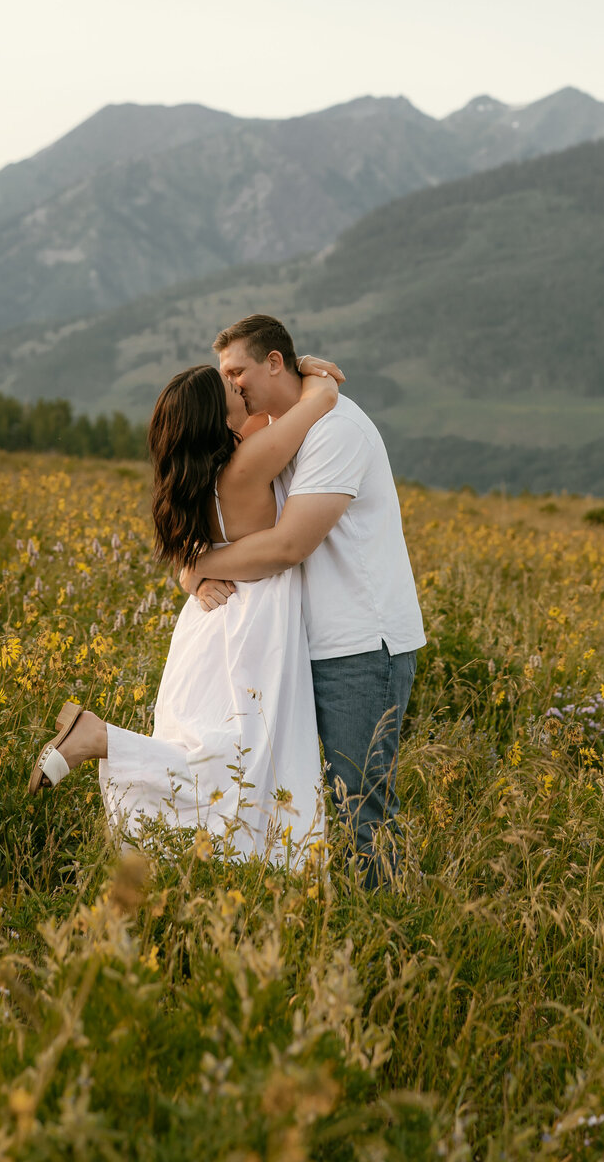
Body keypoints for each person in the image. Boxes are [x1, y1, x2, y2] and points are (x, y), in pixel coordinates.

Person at [27, 355, 342, 866]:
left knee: (209, 752)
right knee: (242, 758)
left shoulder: (197, 479)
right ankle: (98, 736)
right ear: (217, 416)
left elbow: (194, 554)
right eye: (229, 383)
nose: (239, 385)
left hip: (206, 620)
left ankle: (214, 862)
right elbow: (321, 402)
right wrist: (311, 371)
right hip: (253, 623)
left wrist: (192, 572)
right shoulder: (248, 464)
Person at [187, 313, 425, 888]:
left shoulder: (335, 430)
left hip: (360, 645)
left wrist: (202, 567)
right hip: (295, 644)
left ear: (274, 363)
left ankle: (383, 934)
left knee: (361, 807)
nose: (232, 383)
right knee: (292, 801)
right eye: (225, 375)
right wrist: (186, 569)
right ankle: (327, 924)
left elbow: (290, 544)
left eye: (237, 370)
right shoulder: (276, 429)